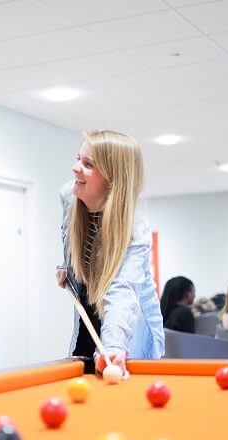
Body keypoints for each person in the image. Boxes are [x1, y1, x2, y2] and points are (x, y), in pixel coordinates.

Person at [55, 129, 165, 377]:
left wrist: (114, 346)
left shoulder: (134, 230)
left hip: (128, 326)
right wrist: (65, 265)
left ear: (112, 178)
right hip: (87, 309)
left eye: (88, 164)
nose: (75, 168)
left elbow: (123, 290)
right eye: (78, 158)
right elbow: (74, 238)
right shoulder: (69, 197)